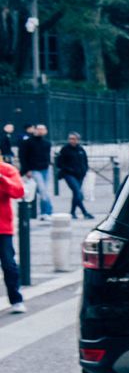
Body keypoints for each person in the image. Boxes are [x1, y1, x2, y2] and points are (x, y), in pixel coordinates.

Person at [1, 154, 24, 314]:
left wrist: (3, 179)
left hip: (3, 227)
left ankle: (16, 299)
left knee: (9, 265)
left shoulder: (7, 170)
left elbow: (18, 192)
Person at [55, 132, 93, 221]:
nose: (72, 140)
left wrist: (85, 170)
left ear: (78, 140)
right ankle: (84, 212)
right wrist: (68, 169)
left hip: (80, 175)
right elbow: (59, 163)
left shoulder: (81, 149)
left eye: (74, 139)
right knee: (77, 192)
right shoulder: (65, 149)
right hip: (69, 174)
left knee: (76, 194)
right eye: (70, 139)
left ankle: (72, 212)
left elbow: (85, 161)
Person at [17, 123, 51, 220]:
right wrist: (27, 169)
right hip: (34, 169)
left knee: (44, 191)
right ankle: (46, 212)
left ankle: (45, 211)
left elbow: (47, 155)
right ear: (34, 130)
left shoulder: (47, 143)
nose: (40, 131)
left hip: (45, 168)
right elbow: (22, 156)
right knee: (42, 190)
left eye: (42, 129)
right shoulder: (28, 142)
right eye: (38, 129)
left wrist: (48, 163)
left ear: (46, 131)